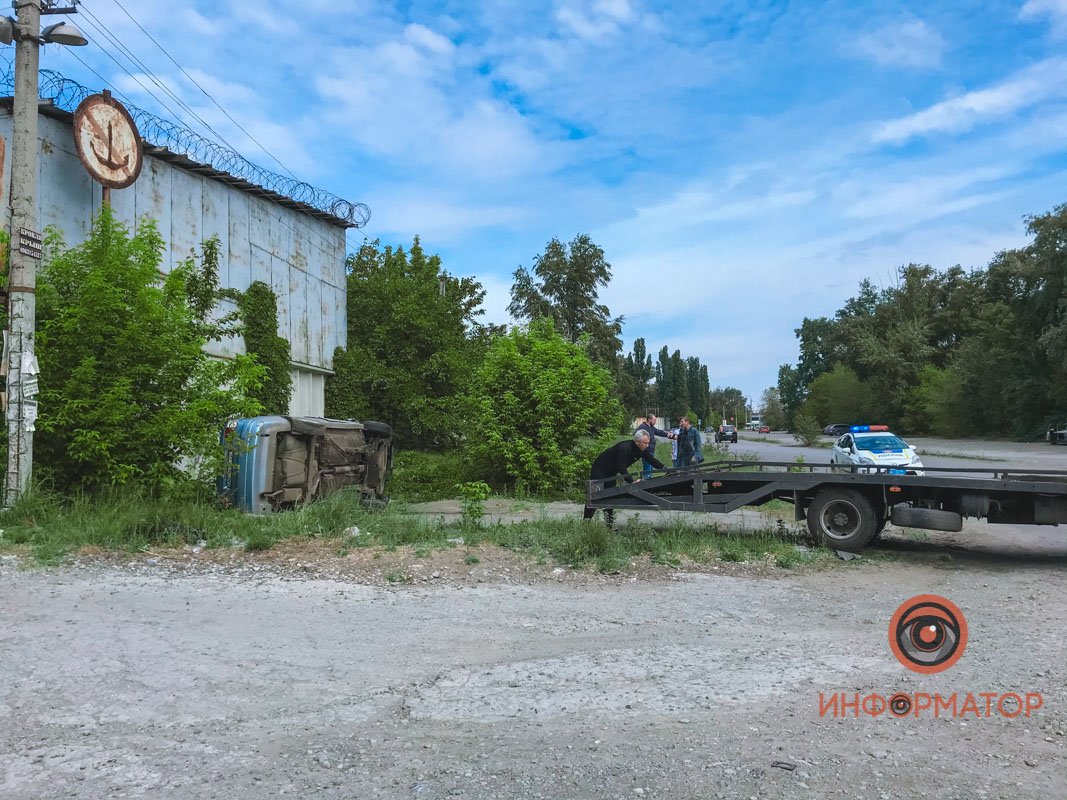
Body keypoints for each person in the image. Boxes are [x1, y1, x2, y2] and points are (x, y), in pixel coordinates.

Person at [583, 430, 665, 526]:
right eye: (645, 443)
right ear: (637, 442)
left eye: (648, 443)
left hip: (612, 471)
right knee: (595, 495)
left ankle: (609, 524)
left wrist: (665, 468)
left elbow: (652, 460)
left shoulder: (642, 449)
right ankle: (586, 522)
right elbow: (621, 468)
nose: (647, 445)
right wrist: (632, 481)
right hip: (600, 469)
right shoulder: (624, 448)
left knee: (609, 496)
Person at [635, 413, 675, 479]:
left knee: (650, 467)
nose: (655, 421)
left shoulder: (651, 427)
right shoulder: (643, 427)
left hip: (651, 450)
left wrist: (667, 434)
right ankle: (646, 481)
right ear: (649, 420)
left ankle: (649, 479)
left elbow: (658, 432)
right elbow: (636, 436)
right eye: (654, 420)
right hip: (646, 450)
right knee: (647, 467)